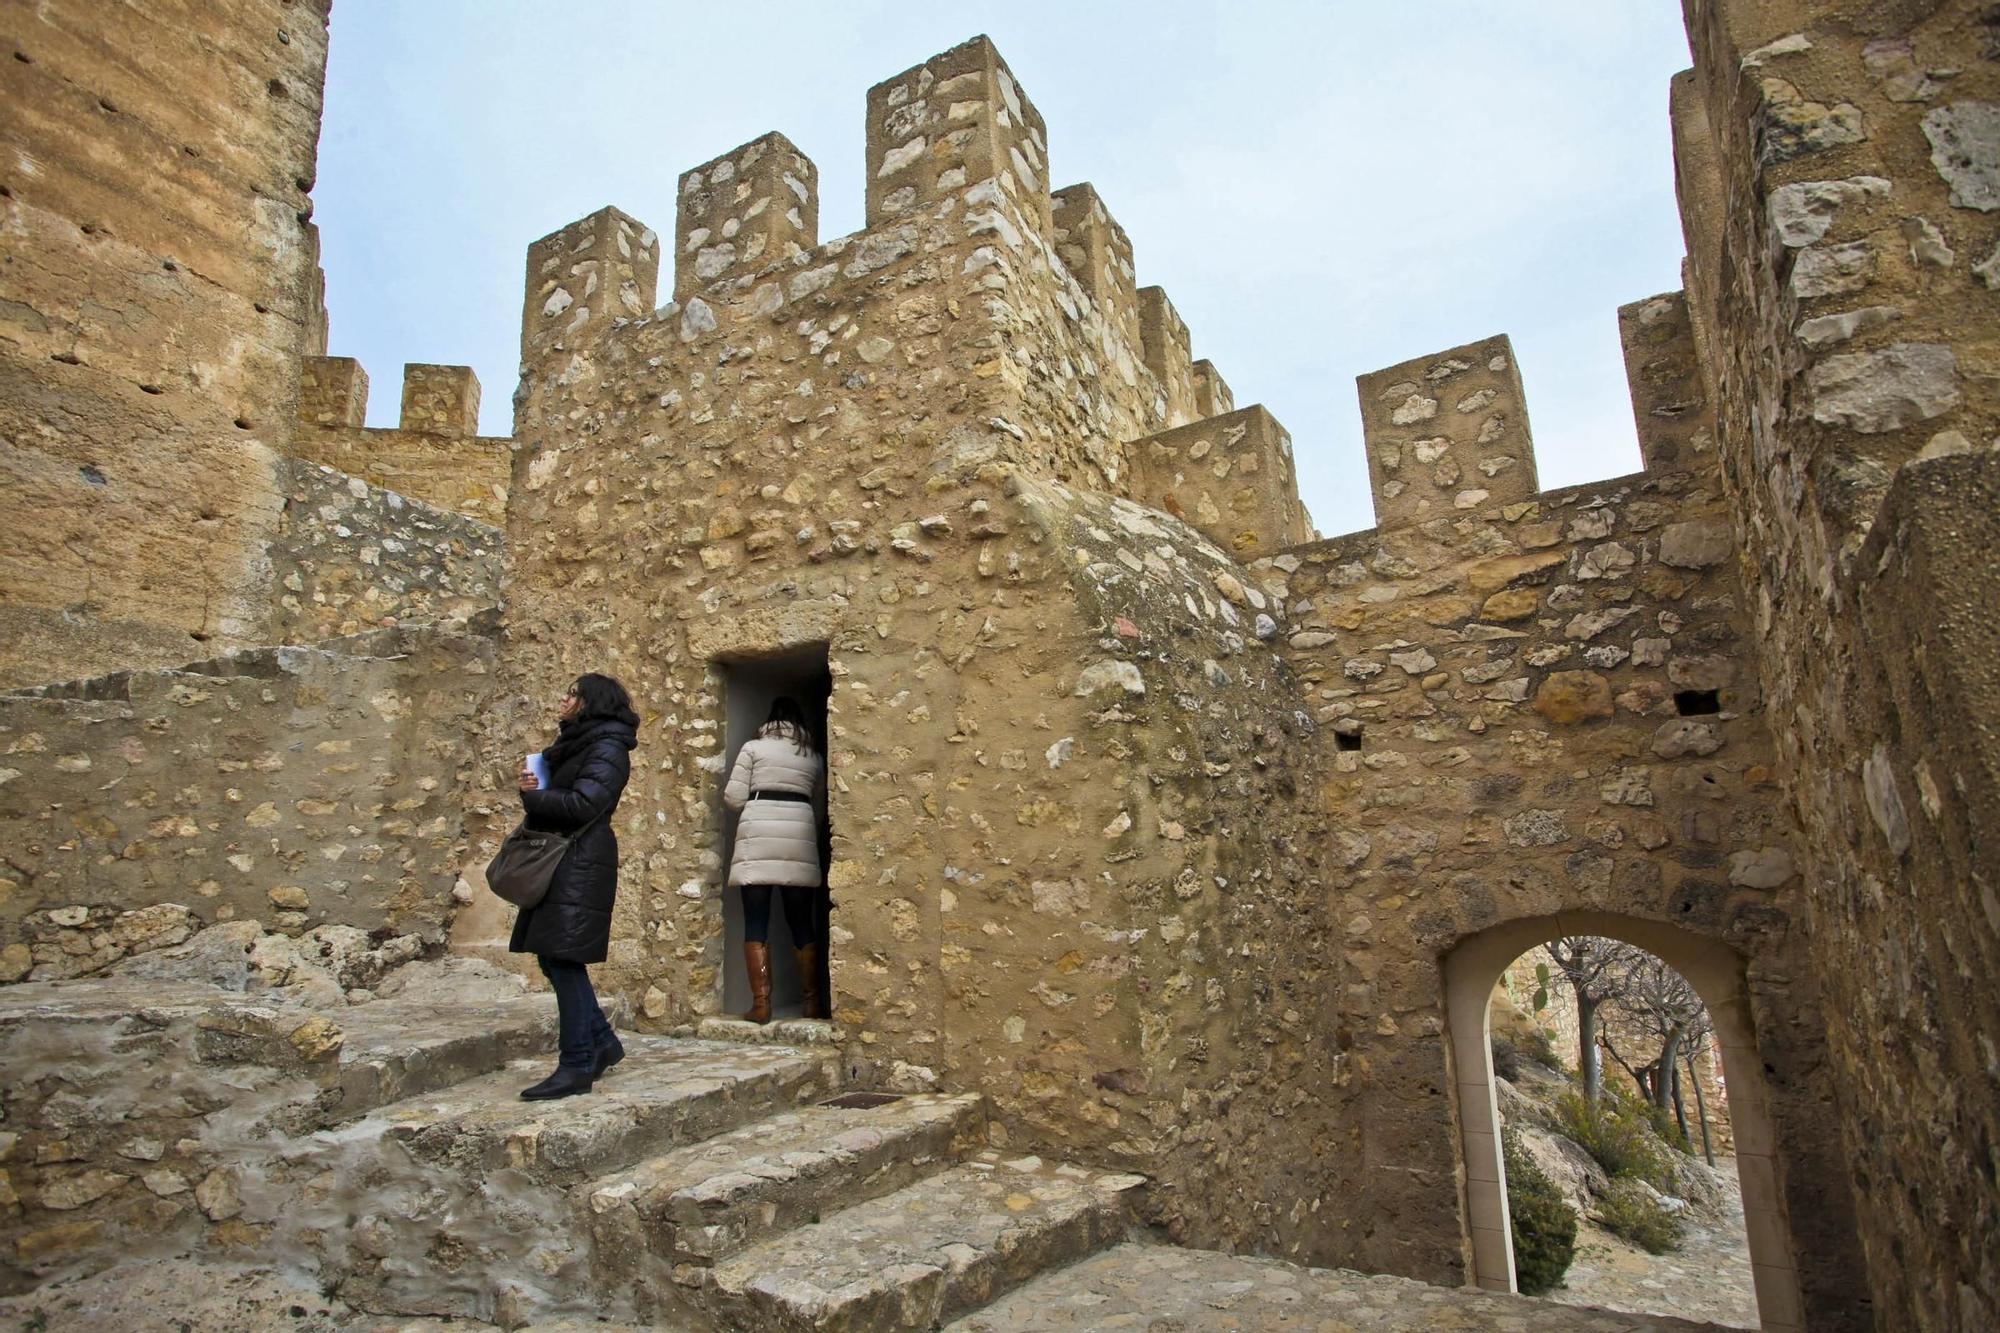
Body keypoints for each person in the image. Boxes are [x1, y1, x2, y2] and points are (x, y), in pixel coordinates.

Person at [511, 673, 640, 1099]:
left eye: (572, 694)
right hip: (566, 856)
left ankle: (577, 1064)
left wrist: (535, 799)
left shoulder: (607, 747)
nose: (563, 699)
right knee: (553, 959)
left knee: (563, 961)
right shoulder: (579, 742)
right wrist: (535, 787)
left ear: (590, 702)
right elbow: (568, 796)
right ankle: (601, 1043)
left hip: (580, 859)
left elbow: (586, 803)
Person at [723, 697, 828, 1022]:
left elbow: (733, 797)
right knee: (801, 920)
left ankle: (761, 1005)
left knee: (756, 918)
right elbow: (822, 809)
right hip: (799, 834)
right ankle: (811, 1003)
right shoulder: (813, 757)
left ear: (771, 721)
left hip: (757, 836)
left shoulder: (753, 748)